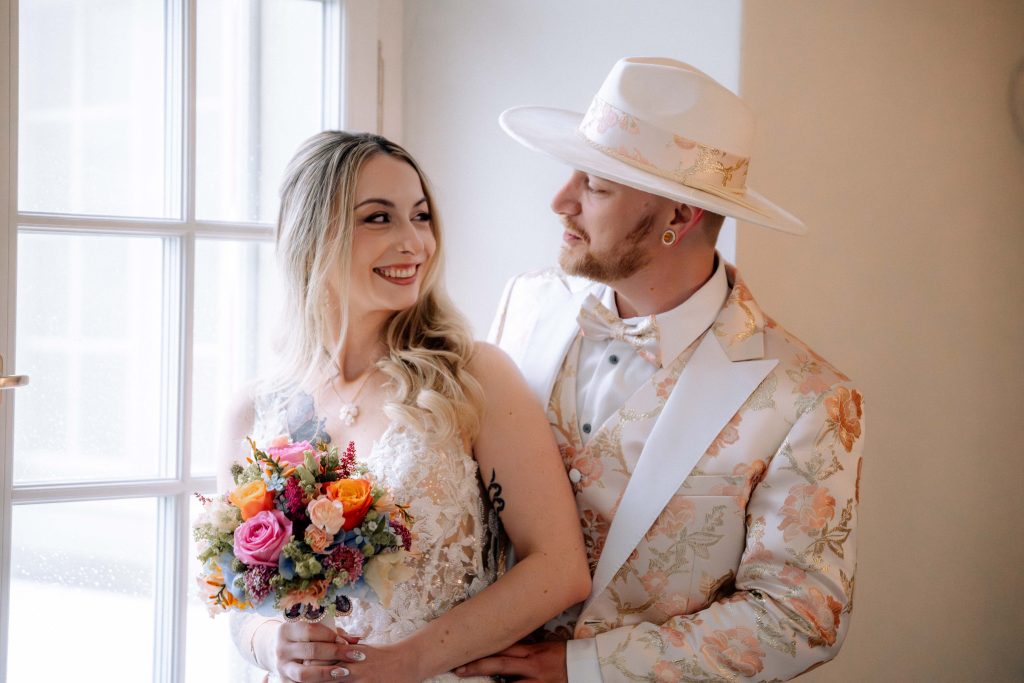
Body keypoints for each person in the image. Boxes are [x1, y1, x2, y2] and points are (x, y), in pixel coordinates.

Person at [456, 57, 865, 681]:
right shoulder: (527, 302)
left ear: (678, 217)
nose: (560, 201)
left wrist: (587, 669)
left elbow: (800, 615)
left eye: (596, 186)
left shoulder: (808, 398)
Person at [218, 131, 591, 683]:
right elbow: (236, 597)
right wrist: (269, 643)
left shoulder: (473, 377)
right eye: (378, 218)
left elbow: (559, 569)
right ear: (313, 234)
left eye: (420, 216)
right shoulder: (254, 410)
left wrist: (407, 662)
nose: (414, 242)